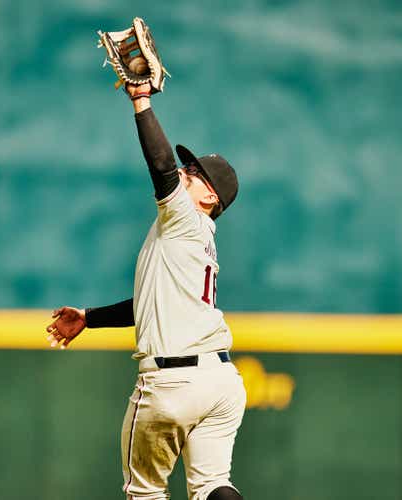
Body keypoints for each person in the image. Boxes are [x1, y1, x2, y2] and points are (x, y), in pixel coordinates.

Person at [46, 82, 245, 500]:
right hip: (221, 382)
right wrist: (90, 318)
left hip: (172, 383)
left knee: (145, 493)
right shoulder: (198, 240)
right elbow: (152, 307)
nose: (185, 173)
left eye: (194, 174)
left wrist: (141, 101)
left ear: (210, 195)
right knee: (213, 487)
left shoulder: (185, 222)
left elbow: (161, 167)